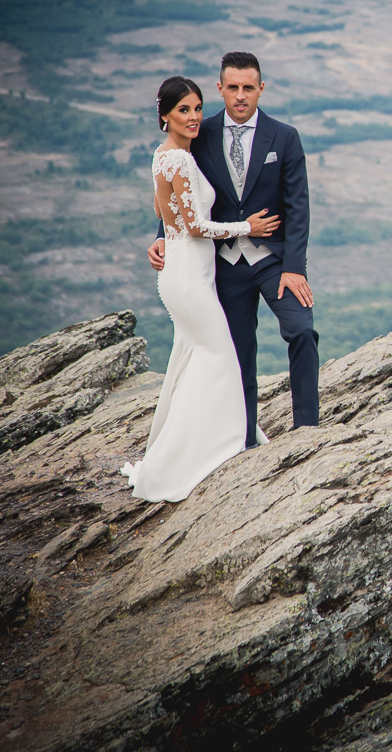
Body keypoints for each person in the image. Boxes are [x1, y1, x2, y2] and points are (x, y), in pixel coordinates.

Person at [147, 52, 319, 449]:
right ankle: (242, 441)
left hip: (274, 261)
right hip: (222, 264)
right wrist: (163, 234)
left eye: (248, 87)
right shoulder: (198, 133)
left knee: (303, 330)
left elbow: (299, 206)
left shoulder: (285, 136)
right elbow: (178, 193)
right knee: (237, 354)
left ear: (261, 88)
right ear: (221, 88)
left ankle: (307, 433)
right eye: (233, 88)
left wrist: (295, 267)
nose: (240, 96)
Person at [123, 76, 280, 501]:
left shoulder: (164, 156)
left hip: (182, 270)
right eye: (183, 111)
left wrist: (163, 236)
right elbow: (193, 225)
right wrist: (248, 227)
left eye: (196, 108)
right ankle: (208, 451)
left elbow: (163, 211)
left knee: (194, 357)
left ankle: (191, 447)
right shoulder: (178, 161)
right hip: (190, 275)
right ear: (164, 117)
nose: (194, 117)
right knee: (220, 356)